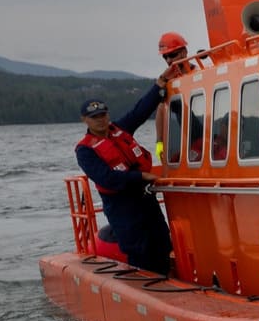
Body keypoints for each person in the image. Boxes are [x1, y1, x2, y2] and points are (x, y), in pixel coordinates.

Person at [76, 71, 176, 275]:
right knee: (139, 249)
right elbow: (107, 179)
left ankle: (167, 278)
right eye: (94, 117)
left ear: (108, 115)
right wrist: (141, 176)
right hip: (122, 206)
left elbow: (139, 111)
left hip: (145, 198)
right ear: (84, 120)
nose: (100, 120)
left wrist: (158, 87)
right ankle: (145, 292)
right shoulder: (85, 150)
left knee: (161, 241)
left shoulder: (119, 129)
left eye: (102, 115)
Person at [155, 31, 190, 161]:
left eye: (172, 55)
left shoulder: (199, 74)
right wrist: (159, 142)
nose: (169, 60)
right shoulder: (168, 83)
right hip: (181, 139)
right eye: (165, 57)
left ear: (184, 52)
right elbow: (160, 109)